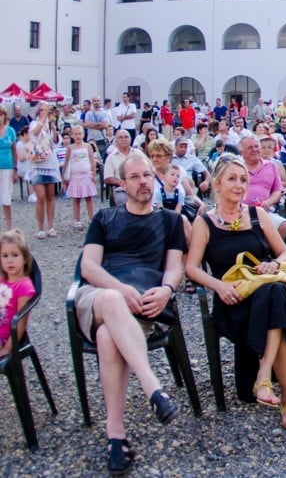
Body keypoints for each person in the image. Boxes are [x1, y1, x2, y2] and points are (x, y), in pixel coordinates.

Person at [76, 152, 187, 474]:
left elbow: (174, 267)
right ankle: (153, 387)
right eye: (135, 177)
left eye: (147, 175)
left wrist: (167, 290)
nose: (143, 182)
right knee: (111, 301)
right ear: (122, 184)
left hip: (142, 307)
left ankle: (116, 436)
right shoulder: (105, 219)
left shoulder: (169, 220)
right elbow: (88, 266)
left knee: (108, 337)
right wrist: (118, 289)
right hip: (97, 298)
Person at [185, 154, 286, 431]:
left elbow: (285, 252)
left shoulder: (257, 215)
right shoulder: (204, 223)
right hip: (235, 299)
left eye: (244, 179)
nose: (240, 185)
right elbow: (192, 268)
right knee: (278, 296)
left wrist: (274, 263)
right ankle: (280, 390)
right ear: (216, 184)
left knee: (275, 292)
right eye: (232, 179)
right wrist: (218, 286)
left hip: (267, 290)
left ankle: (268, 375)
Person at [0, 229, 36, 358]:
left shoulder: (24, 286)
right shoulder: (1, 280)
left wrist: (8, 349)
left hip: (4, 338)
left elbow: (20, 322)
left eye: (15, 255)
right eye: (5, 256)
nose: (10, 260)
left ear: (25, 258)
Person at [28, 102, 61, 239]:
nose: (44, 112)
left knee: (50, 196)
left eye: (46, 110)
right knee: (40, 197)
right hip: (37, 164)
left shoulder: (49, 124)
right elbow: (34, 134)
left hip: (50, 164)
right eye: (42, 110)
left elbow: (55, 142)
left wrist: (53, 125)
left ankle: (51, 226)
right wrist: (43, 119)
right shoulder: (35, 124)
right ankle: (41, 227)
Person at [64, 125, 98, 230]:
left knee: (88, 198)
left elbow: (92, 161)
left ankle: (91, 218)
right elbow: (66, 163)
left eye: (80, 134)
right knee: (76, 199)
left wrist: (94, 174)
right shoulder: (70, 148)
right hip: (75, 176)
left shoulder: (87, 146)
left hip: (86, 175)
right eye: (76, 134)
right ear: (72, 135)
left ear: (83, 134)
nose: (78, 136)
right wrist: (64, 179)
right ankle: (77, 220)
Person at [0, 107, 16, 230]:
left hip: (8, 167)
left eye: (1, 115)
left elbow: (14, 150)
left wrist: (16, 168)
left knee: (6, 196)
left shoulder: (10, 131)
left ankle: (9, 225)